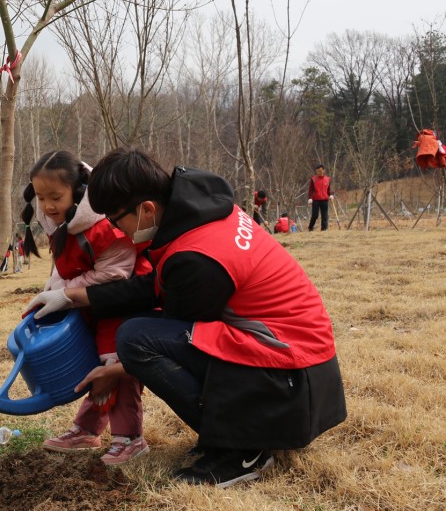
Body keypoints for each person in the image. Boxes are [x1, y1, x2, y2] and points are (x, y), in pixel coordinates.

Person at [24, 147, 346, 488]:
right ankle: (240, 430)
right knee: (141, 329)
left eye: (118, 221)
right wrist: (70, 296)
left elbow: (170, 319)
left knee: (135, 339)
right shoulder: (200, 209)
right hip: (306, 371)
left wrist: (115, 370)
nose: (119, 231)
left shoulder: (197, 259)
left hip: (292, 381)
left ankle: (242, 448)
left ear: (146, 209)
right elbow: (157, 286)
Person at [21, 150, 150, 466]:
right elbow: (65, 266)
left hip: (122, 302)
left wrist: (65, 292)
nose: (48, 205)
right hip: (92, 301)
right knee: (97, 365)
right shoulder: (60, 222)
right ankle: (87, 430)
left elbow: (117, 272)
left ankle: (130, 438)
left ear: (78, 193)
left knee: (115, 366)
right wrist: (51, 291)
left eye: (56, 197)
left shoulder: (103, 227)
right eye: (41, 197)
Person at [307, 164, 334, 231]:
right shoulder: (314, 179)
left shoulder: (327, 179)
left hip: (324, 199)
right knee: (315, 215)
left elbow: (329, 189)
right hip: (316, 199)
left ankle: (324, 229)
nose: (319, 172)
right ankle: (310, 227)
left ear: (323, 170)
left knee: (324, 215)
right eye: (317, 171)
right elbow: (311, 189)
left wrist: (330, 194)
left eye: (320, 171)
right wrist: (310, 198)